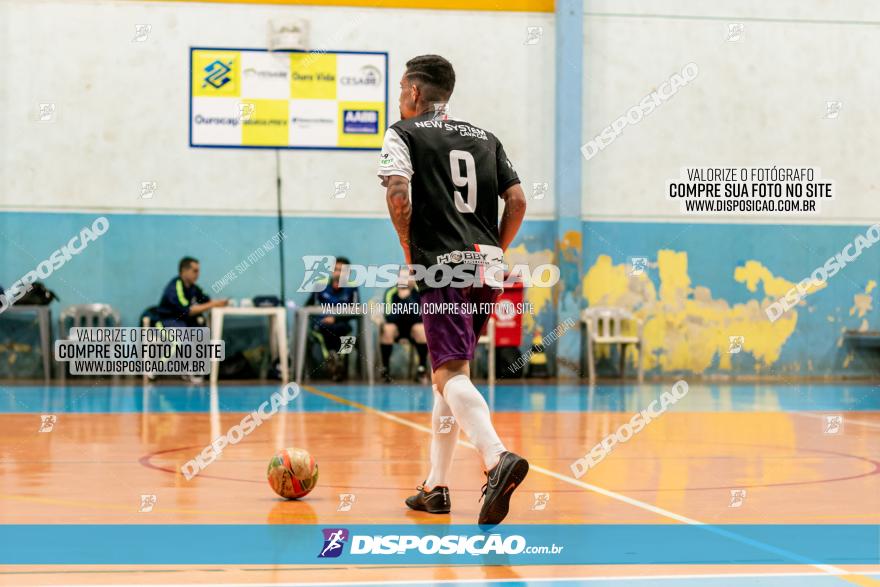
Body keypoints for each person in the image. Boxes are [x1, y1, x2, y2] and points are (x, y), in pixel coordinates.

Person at [378, 55, 529, 525]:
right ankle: (436, 486)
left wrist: (410, 250)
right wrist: (493, 253)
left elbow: (398, 194)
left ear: (415, 92)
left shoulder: (403, 133)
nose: (400, 96)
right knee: (448, 373)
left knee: (449, 374)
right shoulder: (487, 137)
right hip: (486, 265)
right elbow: (518, 200)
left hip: (439, 264)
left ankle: (495, 457)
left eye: (402, 88)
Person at [305, 257, 360, 382]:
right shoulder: (320, 285)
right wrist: (323, 318)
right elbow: (308, 307)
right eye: (336, 269)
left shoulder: (352, 288)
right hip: (322, 325)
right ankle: (334, 360)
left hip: (342, 325)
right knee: (327, 330)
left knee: (345, 332)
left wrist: (335, 318)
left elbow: (357, 311)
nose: (338, 273)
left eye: (342, 270)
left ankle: (336, 361)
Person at [380, 269, 429, 384]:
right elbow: (389, 316)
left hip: (413, 329)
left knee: (421, 329)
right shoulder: (390, 293)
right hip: (397, 329)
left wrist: (407, 299)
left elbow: (421, 316)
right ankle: (386, 369)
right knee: (388, 328)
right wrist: (403, 304)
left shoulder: (419, 292)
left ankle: (421, 368)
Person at [156, 257, 227, 328]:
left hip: (183, 322)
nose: (198, 274)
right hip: (168, 322)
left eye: (198, 271)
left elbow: (206, 300)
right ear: (184, 271)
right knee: (181, 336)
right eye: (195, 271)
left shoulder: (193, 287)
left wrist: (221, 302)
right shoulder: (175, 287)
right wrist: (213, 304)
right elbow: (187, 311)